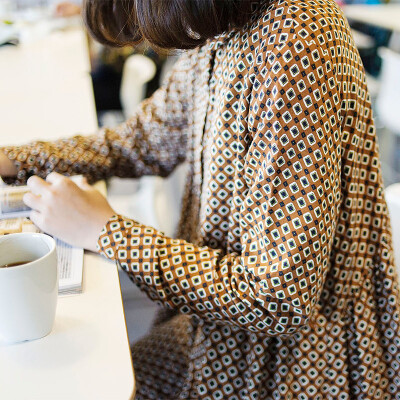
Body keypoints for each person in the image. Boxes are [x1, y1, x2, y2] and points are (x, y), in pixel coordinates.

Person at [1, 0, 400, 398]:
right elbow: (143, 140)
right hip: (221, 333)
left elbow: (279, 298)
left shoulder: (298, 38)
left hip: (298, 370)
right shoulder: (223, 25)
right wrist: (14, 160)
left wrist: (106, 231)